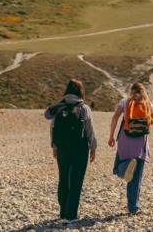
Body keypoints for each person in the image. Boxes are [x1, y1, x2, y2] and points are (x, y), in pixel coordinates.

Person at [108, 82, 153, 214]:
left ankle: (125, 166)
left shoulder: (125, 102)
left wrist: (111, 136)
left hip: (125, 140)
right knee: (136, 178)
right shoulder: (147, 104)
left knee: (118, 169)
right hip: (140, 144)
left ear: (131, 91)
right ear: (144, 91)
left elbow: (115, 118)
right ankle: (133, 208)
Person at [45, 79, 97, 221]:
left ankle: (63, 212)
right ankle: (71, 215)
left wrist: (54, 146)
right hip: (80, 148)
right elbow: (90, 130)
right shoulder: (84, 108)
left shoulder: (60, 107)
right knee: (76, 181)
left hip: (62, 148)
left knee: (63, 179)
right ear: (81, 92)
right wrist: (93, 148)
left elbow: (53, 126)